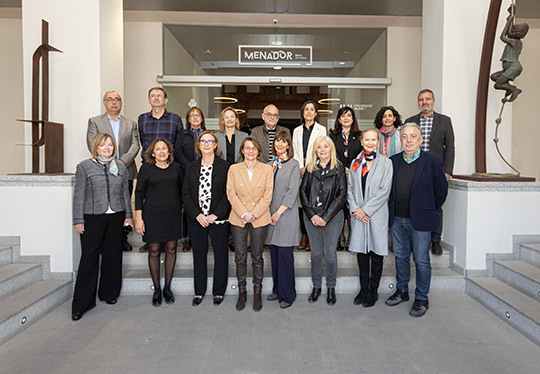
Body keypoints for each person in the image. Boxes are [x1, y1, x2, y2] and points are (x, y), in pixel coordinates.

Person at [385, 123, 448, 318]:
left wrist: (427, 208)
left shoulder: (433, 162)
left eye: (413, 136)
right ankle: (402, 291)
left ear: (420, 140)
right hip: (397, 219)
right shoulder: (393, 161)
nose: (409, 140)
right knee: (401, 257)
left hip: (420, 220)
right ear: (400, 140)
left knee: (421, 260)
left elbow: (441, 193)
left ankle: (421, 297)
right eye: (405, 136)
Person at [72, 133, 133, 321]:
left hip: (116, 216)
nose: (107, 148)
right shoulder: (84, 167)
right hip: (92, 217)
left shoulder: (121, 167)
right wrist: (78, 219)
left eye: (110, 145)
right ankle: (82, 303)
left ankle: (109, 293)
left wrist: (128, 216)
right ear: (96, 147)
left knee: (113, 256)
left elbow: (125, 193)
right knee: (89, 259)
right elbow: (79, 195)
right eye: (103, 145)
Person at [86, 90, 140, 252]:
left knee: (124, 205)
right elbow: (92, 143)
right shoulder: (95, 122)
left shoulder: (130, 123)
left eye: (117, 99)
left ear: (121, 103)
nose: (114, 102)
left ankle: (122, 238)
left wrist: (122, 162)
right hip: (102, 171)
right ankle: (106, 239)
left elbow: (135, 145)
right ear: (105, 103)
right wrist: (108, 162)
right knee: (106, 205)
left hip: (126, 169)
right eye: (110, 99)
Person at [182, 131, 231, 307]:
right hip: (197, 219)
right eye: (203, 141)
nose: (207, 144)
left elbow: (228, 194)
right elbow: (186, 194)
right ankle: (199, 291)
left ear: (216, 145)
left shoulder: (225, 166)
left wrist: (214, 214)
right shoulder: (191, 167)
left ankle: (219, 291)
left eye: (210, 141)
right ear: (199, 145)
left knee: (220, 255)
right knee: (199, 255)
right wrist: (198, 215)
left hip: (218, 219)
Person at [226, 136, 273, 312]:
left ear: (258, 151)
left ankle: (257, 292)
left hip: (259, 217)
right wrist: (244, 213)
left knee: (257, 256)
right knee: (240, 256)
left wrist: (253, 213)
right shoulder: (234, 169)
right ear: (242, 151)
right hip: (239, 216)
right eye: (247, 148)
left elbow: (268, 195)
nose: (250, 151)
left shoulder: (267, 169)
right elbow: (231, 193)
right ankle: (242, 292)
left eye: (254, 148)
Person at [135, 139, 183, 307]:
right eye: (158, 149)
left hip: (173, 215)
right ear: (152, 152)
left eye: (164, 149)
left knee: (171, 249)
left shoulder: (176, 168)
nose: (162, 151)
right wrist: (138, 218)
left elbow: (183, 190)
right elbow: (139, 194)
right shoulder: (146, 169)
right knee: (154, 251)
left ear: (169, 152)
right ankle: (156, 289)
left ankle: (167, 288)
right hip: (152, 216)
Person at [405, 89, 454, 255]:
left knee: (436, 206)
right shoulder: (410, 120)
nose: (424, 102)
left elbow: (450, 148)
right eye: (421, 99)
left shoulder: (445, 121)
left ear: (433, 101)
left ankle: (435, 240)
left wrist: (447, 171)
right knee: (413, 202)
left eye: (427, 99)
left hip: (435, 170)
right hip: (414, 167)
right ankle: (413, 238)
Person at [347, 128, 393, 308]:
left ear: (378, 141)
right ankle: (363, 288)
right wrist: (356, 209)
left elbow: (385, 191)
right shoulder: (355, 162)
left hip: (376, 215)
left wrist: (365, 210)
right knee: (362, 254)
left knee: (376, 254)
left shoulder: (386, 163)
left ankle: (373, 291)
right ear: (361, 141)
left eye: (374, 139)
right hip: (358, 215)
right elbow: (349, 189)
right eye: (367, 139)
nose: (370, 142)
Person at [299, 136, 347, 305]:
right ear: (315, 150)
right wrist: (312, 214)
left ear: (331, 149)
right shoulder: (310, 168)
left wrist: (325, 217)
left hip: (332, 217)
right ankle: (317, 287)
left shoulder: (338, 168)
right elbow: (303, 192)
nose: (323, 150)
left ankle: (331, 287)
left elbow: (342, 195)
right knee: (316, 253)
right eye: (319, 147)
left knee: (330, 254)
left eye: (326, 147)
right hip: (311, 216)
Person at [137, 86, 183, 252]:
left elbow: (177, 144)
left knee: (168, 203)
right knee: (151, 204)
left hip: (169, 167)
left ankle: (167, 239)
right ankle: (151, 238)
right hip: (149, 166)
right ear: (149, 100)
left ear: (166, 100)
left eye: (159, 96)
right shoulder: (142, 119)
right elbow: (143, 141)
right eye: (153, 96)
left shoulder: (175, 119)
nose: (156, 98)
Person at [265, 130, 301, 309]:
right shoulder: (270, 164)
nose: (279, 144)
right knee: (274, 255)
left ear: (288, 145)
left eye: (283, 142)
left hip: (285, 215)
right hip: (270, 217)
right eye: (277, 141)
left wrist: (278, 212)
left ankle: (288, 294)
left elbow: (292, 192)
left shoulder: (294, 164)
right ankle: (277, 289)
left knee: (285, 256)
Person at [292, 100, 327, 251]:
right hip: (300, 170)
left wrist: (310, 167)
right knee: (301, 203)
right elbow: (294, 150)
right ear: (303, 112)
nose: (309, 112)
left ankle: (311, 237)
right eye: (306, 109)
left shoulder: (321, 129)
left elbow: (323, 149)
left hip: (315, 169)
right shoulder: (297, 130)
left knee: (312, 203)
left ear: (316, 113)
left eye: (312, 109)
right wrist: (300, 167)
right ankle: (303, 235)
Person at [329, 106, 362, 251]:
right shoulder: (333, 136)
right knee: (339, 208)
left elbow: (362, 155)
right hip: (337, 177)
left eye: (349, 115)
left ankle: (351, 238)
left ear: (353, 118)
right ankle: (339, 237)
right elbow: (330, 156)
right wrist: (343, 169)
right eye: (343, 116)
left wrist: (352, 168)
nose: (346, 118)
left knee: (351, 208)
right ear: (339, 119)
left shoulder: (360, 136)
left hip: (355, 177)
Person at [175, 107, 207, 252]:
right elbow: (177, 152)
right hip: (187, 174)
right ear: (188, 119)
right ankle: (187, 239)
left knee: (203, 205)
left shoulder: (207, 135)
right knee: (188, 207)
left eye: (197, 115)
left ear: (202, 118)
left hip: (205, 175)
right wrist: (191, 166)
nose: (195, 118)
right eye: (192, 115)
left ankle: (201, 237)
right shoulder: (182, 134)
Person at [490, 5, 529, 102]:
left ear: (519, 33)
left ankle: (514, 90)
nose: (511, 31)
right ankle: (509, 88)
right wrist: (511, 15)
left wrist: (508, 21)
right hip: (509, 67)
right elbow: (508, 31)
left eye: (513, 30)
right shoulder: (514, 39)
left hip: (513, 67)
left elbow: (503, 36)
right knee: (494, 77)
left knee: (498, 85)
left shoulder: (515, 41)